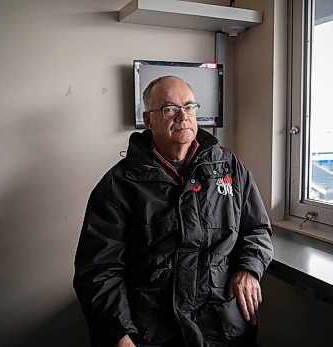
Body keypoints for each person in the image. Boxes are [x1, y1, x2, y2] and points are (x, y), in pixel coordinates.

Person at [73, 76, 273, 347]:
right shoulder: (119, 185)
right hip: (152, 331)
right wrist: (119, 332)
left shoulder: (229, 168)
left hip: (222, 326)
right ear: (149, 119)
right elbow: (99, 270)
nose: (183, 116)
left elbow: (257, 229)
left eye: (189, 107)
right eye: (169, 109)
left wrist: (249, 268)